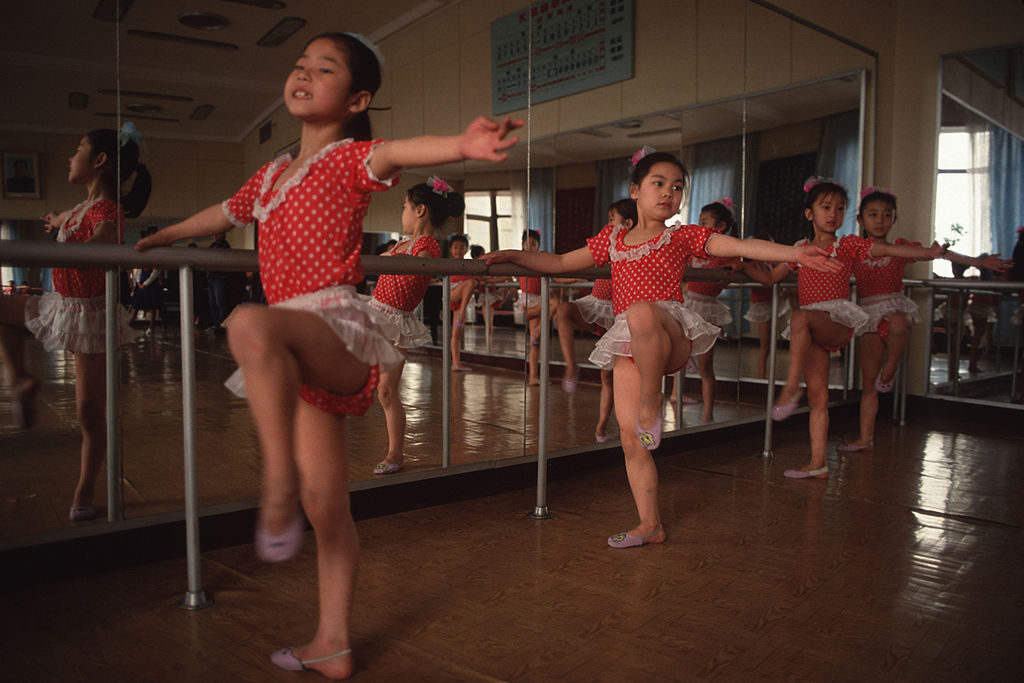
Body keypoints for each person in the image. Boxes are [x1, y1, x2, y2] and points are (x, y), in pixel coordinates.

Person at [135, 32, 521, 680]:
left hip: (335, 327)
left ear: (357, 97)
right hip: (299, 342)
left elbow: (399, 149)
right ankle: (332, 641)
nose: (305, 73)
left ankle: (276, 480)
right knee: (328, 508)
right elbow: (221, 213)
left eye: (325, 67)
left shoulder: (348, 159)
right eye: (299, 65)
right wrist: (165, 233)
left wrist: (461, 145)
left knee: (250, 325)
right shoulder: (270, 175)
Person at [485, 150, 839, 548]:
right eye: (659, 183)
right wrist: (514, 256)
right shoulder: (613, 239)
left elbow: (739, 244)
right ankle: (649, 523)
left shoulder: (682, 235)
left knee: (639, 313)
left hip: (670, 331)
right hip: (631, 341)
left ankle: (653, 405)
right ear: (635, 190)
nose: (669, 193)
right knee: (629, 437)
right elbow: (563, 261)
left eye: (677, 187)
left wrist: (794, 253)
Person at [0, 124, 151, 522]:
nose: (70, 156)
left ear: (100, 160)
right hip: (60, 304)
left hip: (90, 316)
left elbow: (103, 237)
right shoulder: (81, 207)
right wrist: (55, 221)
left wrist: (87, 247)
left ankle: (84, 491)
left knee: (89, 413)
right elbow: (67, 216)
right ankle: (20, 380)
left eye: (77, 149)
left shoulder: (108, 211)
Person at [751, 178, 945, 480]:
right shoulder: (800, 249)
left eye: (840, 208)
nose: (833, 214)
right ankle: (818, 462)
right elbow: (769, 279)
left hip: (838, 322)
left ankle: (790, 387)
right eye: (826, 207)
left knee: (800, 317)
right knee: (819, 399)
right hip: (813, 330)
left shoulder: (849, 245)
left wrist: (928, 254)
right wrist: (740, 266)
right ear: (809, 213)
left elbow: (887, 249)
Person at [838, 188, 1010, 452]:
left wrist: (977, 261)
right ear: (861, 220)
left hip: (893, 303)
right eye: (873, 215)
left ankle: (892, 366)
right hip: (868, 314)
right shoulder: (856, 249)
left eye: (887, 215)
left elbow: (937, 253)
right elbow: (831, 264)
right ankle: (865, 438)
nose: (880, 220)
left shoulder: (901, 247)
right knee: (869, 382)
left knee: (898, 322)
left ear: (894, 220)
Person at [371, 177, 464, 475]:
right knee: (380, 388)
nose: (403, 213)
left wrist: (395, 258)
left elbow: (422, 262)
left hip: (396, 321)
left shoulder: (427, 245)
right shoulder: (402, 242)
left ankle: (395, 454)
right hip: (376, 312)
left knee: (386, 391)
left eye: (404, 207)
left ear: (420, 210)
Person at [555, 199, 637, 443]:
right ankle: (571, 366)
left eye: (613, 219)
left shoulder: (634, 248)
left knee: (607, 377)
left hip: (617, 314)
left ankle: (602, 427)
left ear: (629, 223)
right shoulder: (607, 243)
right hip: (594, 306)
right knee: (564, 310)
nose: (609, 223)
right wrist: (558, 276)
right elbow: (581, 263)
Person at [679, 198, 741, 423]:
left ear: (720, 227)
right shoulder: (695, 249)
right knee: (679, 351)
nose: (699, 225)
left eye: (704, 221)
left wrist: (737, 267)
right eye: (699, 220)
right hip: (689, 302)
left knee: (707, 366)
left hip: (708, 308)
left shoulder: (726, 252)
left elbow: (739, 264)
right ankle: (679, 389)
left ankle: (708, 414)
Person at [447, 233, 475, 371]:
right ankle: (464, 311)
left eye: (462, 247)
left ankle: (456, 362)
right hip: (452, 294)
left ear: (466, 249)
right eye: (456, 247)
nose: (458, 250)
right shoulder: (449, 264)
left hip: (461, 298)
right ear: (451, 249)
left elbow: (481, 280)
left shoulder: (469, 265)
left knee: (457, 333)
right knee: (470, 282)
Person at [207, 232, 233, 327]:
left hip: (220, 277)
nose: (214, 236)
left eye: (217, 234)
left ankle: (222, 324)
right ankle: (216, 323)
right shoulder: (212, 246)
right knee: (212, 302)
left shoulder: (225, 246)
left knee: (220, 301)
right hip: (212, 276)